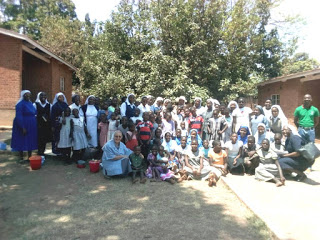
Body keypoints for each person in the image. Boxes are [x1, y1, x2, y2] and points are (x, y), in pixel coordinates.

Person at [11, 90, 38, 162]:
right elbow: (19, 116)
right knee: (21, 139)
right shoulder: (20, 104)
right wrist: (22, 127)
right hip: (23, 124)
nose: (28, 96)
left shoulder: (30, 103)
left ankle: (30, 156)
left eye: (29, 95)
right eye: (26, 95)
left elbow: (34, 112)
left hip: (31, 125)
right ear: (23, 95)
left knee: (30, 140)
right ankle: (21, 157)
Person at [33, 92, 51, 156]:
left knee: (44, 139)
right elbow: (33, 115)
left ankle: (42, 151)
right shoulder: (35, 104)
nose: (43, 97)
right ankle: (39, 151)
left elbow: (50, 114)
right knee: (39, 138)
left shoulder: (49, 105)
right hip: (38, 124)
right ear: (39, 97)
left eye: (45, 95)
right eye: (42, 95)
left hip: (46, 125)